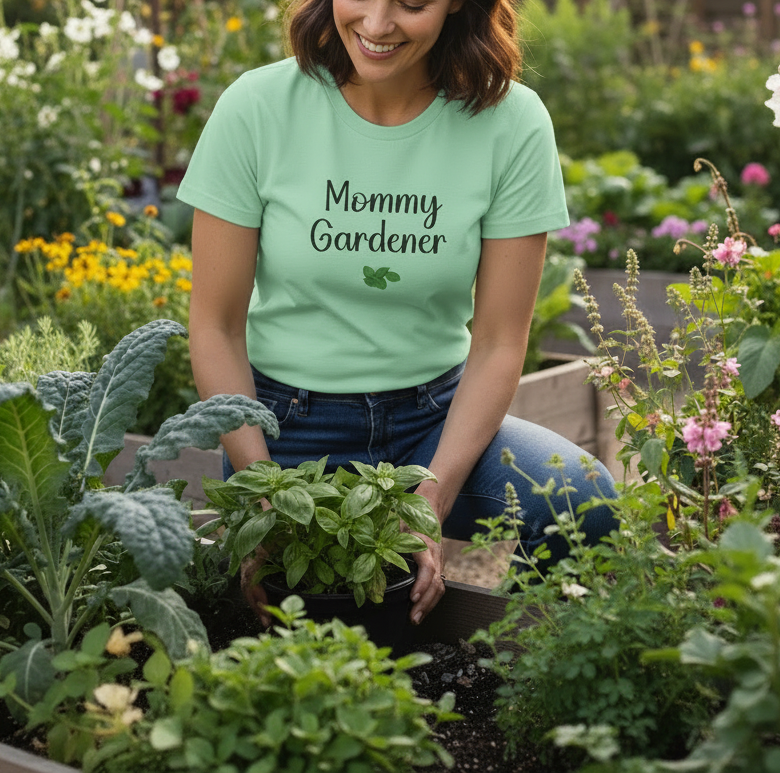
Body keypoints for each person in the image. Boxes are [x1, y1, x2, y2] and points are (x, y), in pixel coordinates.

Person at [177, 0, 618, 628]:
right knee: (315, 631)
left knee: (585, 502)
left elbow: (498, 341)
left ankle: (530, 677)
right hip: (288, 432)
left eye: (411, 3)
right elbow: (215, 328)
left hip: (433, 423)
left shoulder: (510, 123)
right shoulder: (258, 107)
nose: (378, 25)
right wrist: (263, 501)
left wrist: (428, 503)